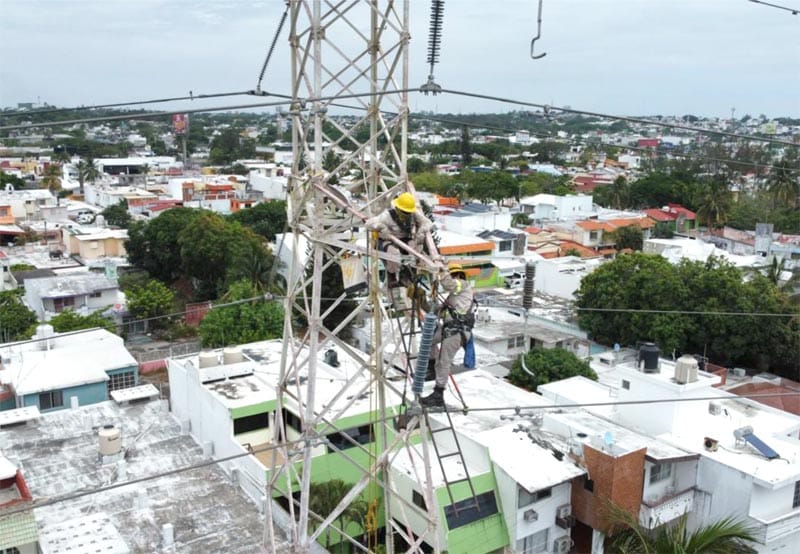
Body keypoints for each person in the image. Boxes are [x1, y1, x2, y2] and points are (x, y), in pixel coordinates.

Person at [421, 263, 475, 408]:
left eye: (452, 275)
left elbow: (448, 284)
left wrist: (442, 271)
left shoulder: (463, 286)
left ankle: (438, 394)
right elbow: (436, 311)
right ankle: (432, 369)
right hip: (449, 329)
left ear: (457, 275)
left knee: (444, 362)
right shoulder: (453, 297)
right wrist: (420, 299)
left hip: (457, 331)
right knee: (428, 341)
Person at [365, 191, 434, 286]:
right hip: (388, 241)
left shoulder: (413, 214)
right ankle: (392, 275)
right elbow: (368, 224)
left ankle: (410, 272)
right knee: (393, 254)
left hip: (404, 240)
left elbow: (428, 223)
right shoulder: (387, 216)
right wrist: (382, 227)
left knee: (416, 249)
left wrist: (421, 232)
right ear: (398, 208)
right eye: (404, 212)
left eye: (408, 212)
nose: (407, 214)